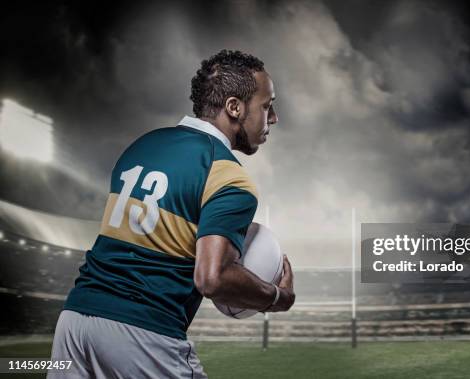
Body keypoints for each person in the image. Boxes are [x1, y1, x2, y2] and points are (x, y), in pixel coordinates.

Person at [49, 50, 295, 378]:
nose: (273, 117)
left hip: (74, 322)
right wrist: (278, 297)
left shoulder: (144, 145)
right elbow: (212, 278)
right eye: (267, 106)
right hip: (143, 331)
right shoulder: (228, 175)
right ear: (234, 107)